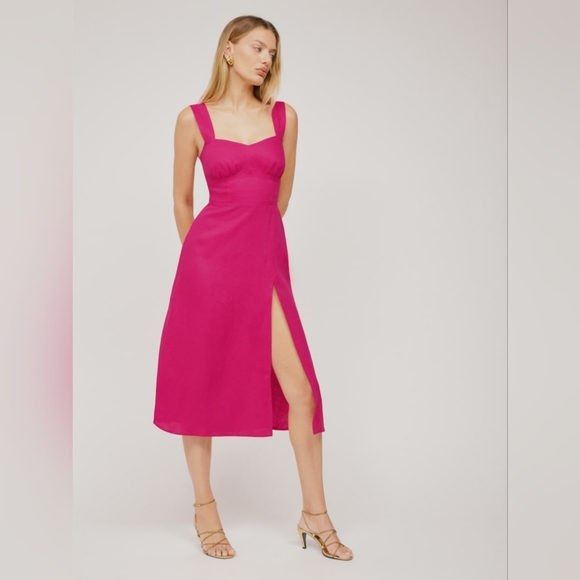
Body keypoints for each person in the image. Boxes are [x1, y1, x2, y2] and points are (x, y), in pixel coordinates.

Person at [153, 15, 353, 561]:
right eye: (258, 47)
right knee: (199, 387)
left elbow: (278, 200)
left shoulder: (284, 118)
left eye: (272, 52)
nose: (266, 59)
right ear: (229, 50)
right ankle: (205, 510)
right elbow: (182, 201)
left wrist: (251, 253)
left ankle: (315, 513)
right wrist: (203, 263)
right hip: (207, 270)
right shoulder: (192, 120)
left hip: (262, 267)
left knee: (302, 391)